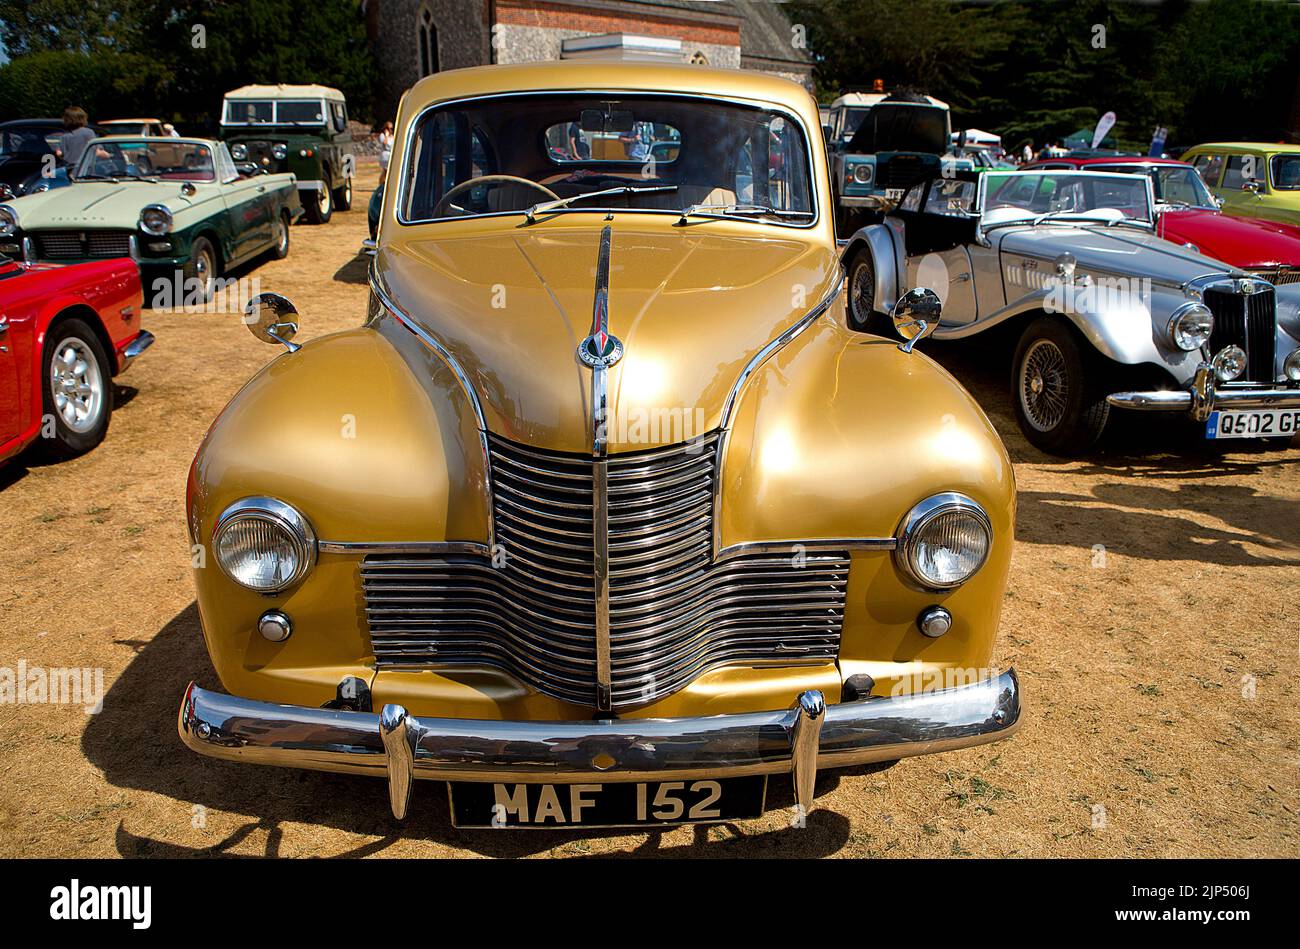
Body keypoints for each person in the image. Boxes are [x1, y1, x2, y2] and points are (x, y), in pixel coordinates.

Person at [56, 106, 96, 176]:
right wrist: (109, 155)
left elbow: (59, 153)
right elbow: (96, 151)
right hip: (86, 170)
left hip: (69, 171)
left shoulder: (64, 136)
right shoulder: (88, 132)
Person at [376, 120, 394, 186]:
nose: (390, 130)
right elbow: (385, 143)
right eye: (388, 128)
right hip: (385, 155)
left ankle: (385, 184)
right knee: (385, 171)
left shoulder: (393, 136)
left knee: (388, 171)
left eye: (391, 128)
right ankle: (382, 184)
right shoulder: (382, 135)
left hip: (391, 154)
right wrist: (386, 135)